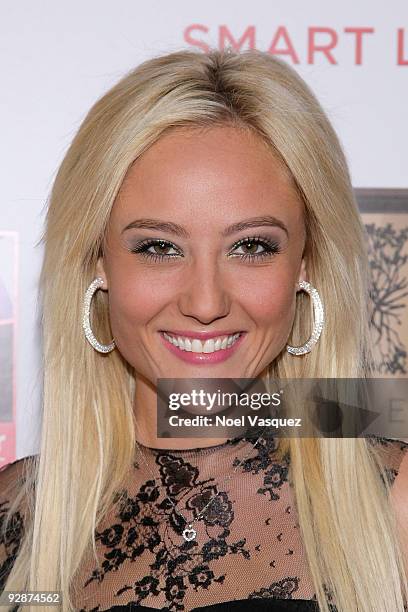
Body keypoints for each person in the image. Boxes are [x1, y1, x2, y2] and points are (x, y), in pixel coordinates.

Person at [0, 48, 407, 612]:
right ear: (98, 262)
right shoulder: (16, 524)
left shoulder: (395, 504)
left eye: (252, 246)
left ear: (306, 265)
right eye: (159, 248)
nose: (206, 302)